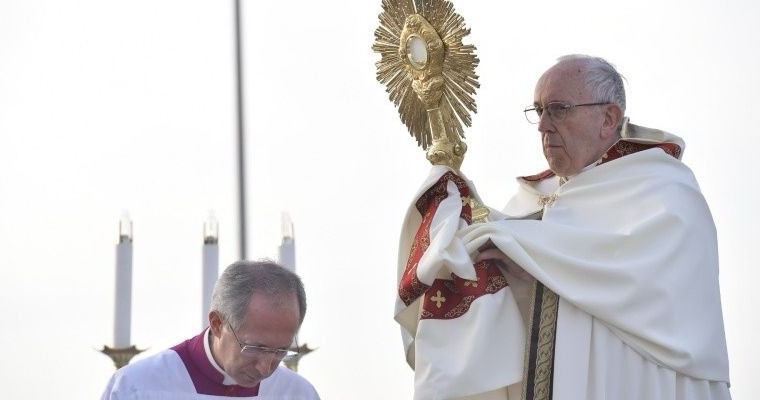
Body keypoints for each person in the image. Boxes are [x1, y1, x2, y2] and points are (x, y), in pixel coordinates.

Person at [395, 55, 730, 399]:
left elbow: (657, 301)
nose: (543, 126)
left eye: (558, 109)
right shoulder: (534, 199)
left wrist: (540, 272)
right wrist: (454, 218)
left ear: (608, 118)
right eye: (539, 110)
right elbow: (510, 274)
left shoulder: (666, 193)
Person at [101, 260, 320, 399]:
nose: (265, 368)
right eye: (255, 348)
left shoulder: (297, 394)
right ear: (217, 323)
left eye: (281, 350)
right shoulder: (138, 387)